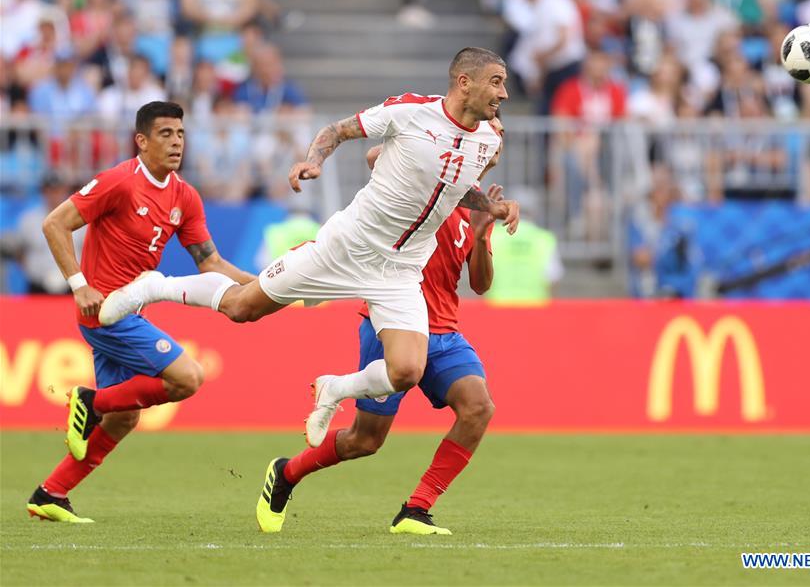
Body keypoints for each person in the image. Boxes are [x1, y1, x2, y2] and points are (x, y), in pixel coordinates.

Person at [96, 46, 519, 518]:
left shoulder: (489, 139)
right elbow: (338, 132)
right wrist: (313, 161)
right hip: (345, 247)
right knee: (242, 307)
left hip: (399, 271)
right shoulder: (411, 112)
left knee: (407, 371)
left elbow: (459, 187)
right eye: (496, 82)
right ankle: (155, 286)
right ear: (464, 82)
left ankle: (335, 389)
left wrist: (492, 208)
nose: (503, 93)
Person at [256, 117, 504, 535]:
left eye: (499, 131)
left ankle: (417, 509)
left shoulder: (475, 208)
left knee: (479, 408)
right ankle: (286, 473)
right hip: (391, 325)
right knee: (365, 440)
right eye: (488, 124)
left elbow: (479, 284)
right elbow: (376, 155)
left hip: (442, 330)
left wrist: (481, 238)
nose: (494, 132)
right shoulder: (433, 172)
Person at [25, 101, 254, 523]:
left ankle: (50, 493)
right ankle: (90, 402)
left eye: (181, 134)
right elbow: (54, 223)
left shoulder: (184, 195)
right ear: (142, 141)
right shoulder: (119, 182)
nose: (176, 142)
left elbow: (211, 264)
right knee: (188, 377)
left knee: (125, 416)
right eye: (165, 134)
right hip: (104, 312)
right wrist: (79, 286)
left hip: (132, 313)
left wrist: (263, 286)